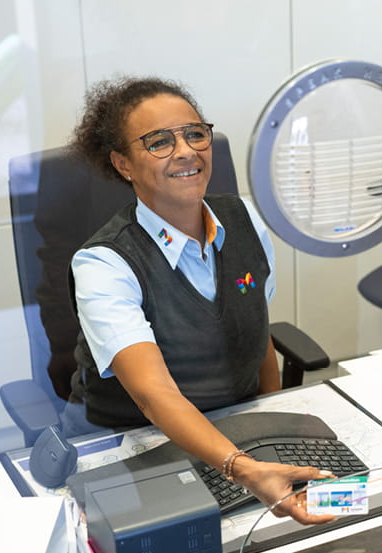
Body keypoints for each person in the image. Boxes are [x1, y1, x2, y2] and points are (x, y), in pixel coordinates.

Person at [66, 76, 334, 525]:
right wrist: (243, 469)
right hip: (138, 446)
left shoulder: (245, 218)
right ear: (123, 164)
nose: (187, 150)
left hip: (236, 431)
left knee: (346, 508)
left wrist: (274, 431)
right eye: (159, 142)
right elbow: (154, 397)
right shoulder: (102, 264)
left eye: (195, 134)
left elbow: (258, 333)